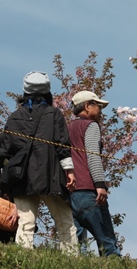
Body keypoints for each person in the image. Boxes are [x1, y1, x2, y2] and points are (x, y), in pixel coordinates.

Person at [0, 71, 78, 254]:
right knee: (65, 222)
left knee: (25, 223)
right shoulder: (54, 114)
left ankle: (23, 261)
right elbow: (62, 145)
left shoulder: (14, 117)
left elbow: (4, 149)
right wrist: (69, 171)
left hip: (22, 177)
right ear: (47, 91)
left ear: (25, 91)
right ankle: (72, 261)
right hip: (48, 175)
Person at [68, 90, 120, 257]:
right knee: (107, 241)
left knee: (76, 244)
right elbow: (92, 155)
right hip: (88, 189)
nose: (100, 110)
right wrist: (100, 184)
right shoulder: (90, 126)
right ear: (86, 106)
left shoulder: (67, 128)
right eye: (97, 105)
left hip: (70, 191)